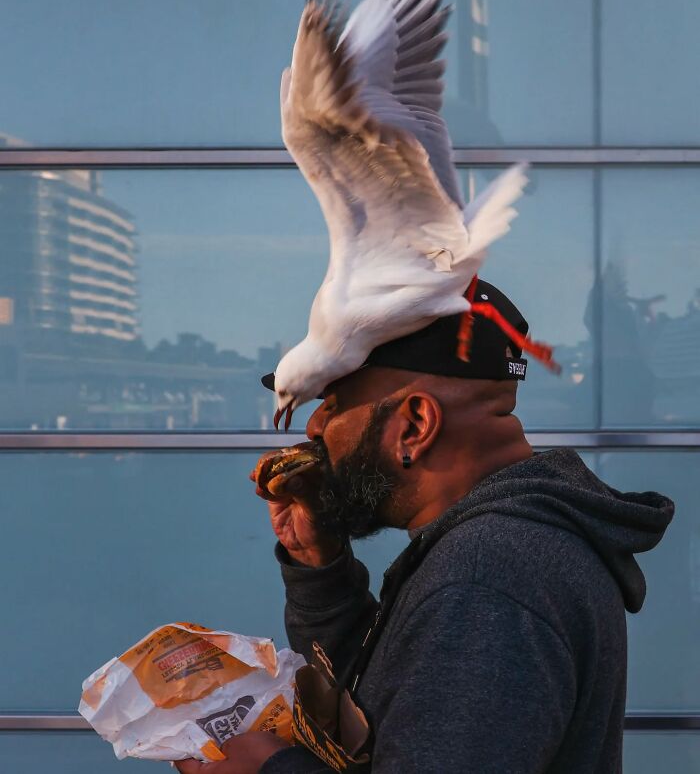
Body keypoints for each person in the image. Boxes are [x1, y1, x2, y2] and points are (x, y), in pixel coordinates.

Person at [175, 280, 674, 774]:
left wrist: (267, 770)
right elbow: (384, 712)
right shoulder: (506, 548)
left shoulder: (485, 580)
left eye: (334, 402)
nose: (314, 427)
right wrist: (318, 563)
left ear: (415, 425)